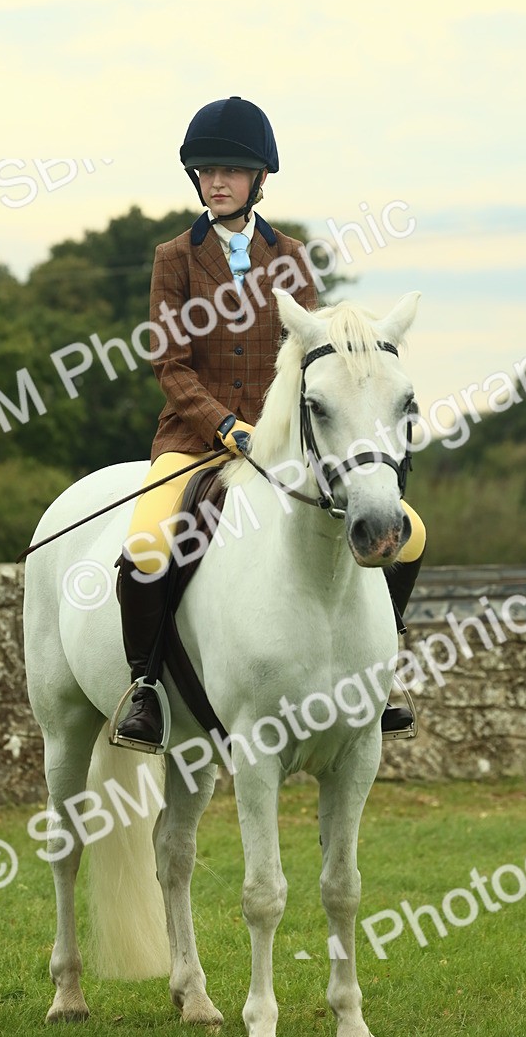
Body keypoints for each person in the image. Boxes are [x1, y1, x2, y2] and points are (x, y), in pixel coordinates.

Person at [112, 96, 426, 751]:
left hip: (284, 443)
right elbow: (169, 364)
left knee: (411, 533)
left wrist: (278, 429)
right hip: (193, 442)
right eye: (205, 171)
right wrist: (225, 426)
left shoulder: (292, 257)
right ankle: (145, 688)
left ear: (258, 178)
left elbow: (311, 359)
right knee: (146, 545)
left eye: (229, 170)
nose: (216, 181)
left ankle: (380, 674)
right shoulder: (174, 257)